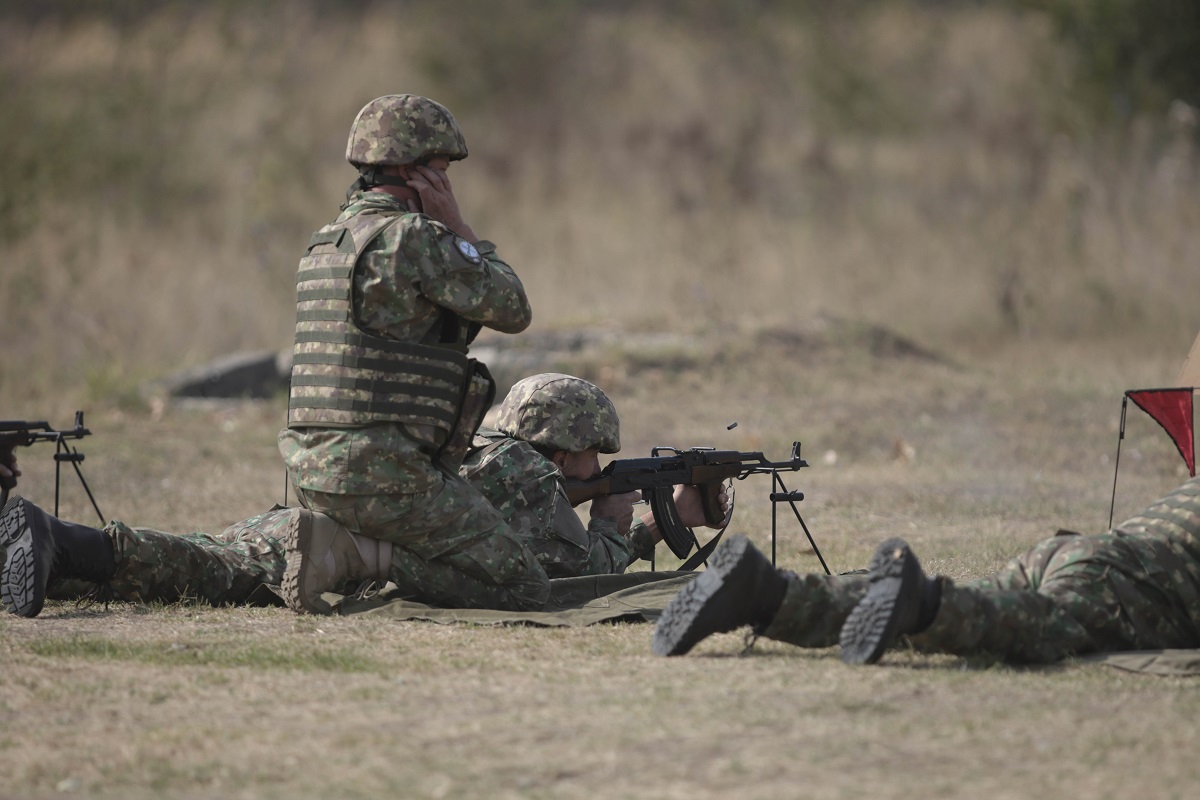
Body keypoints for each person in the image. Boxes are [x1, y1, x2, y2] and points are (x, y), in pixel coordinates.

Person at [0, 374, 724, 617]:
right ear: (567, 444)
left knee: (191, 567)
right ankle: (58, 540)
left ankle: (49, 549)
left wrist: (652, 528)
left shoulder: (495, 461)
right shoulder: (530, 476)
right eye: (596, 449)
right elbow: (564, 579)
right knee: (194, 572)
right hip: (330, 552)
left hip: (314, 532)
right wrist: (618, 520)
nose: (602, 463)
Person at [278, 93, 547, 616]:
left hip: (312, 473)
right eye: (442, 171)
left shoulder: (326, 243)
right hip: (388, 477)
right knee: (525, 589)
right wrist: (460, 229)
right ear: (411, 170)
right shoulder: (414, 239)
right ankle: (361, 557)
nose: (448, 184)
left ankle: (342, 543)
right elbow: (513, 307)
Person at [652, 475, 1200, 665]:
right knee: (1037, 626)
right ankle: (926, 604)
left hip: (1075, 552)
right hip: (1141, 584)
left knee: (990, 604)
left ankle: (767, 594)